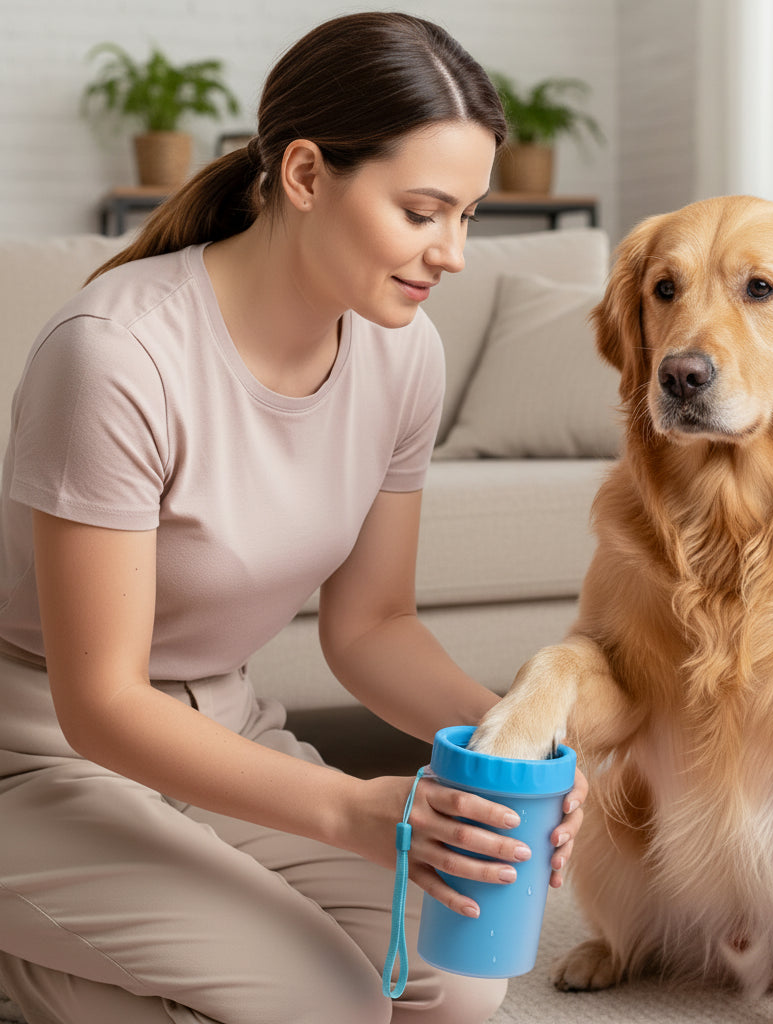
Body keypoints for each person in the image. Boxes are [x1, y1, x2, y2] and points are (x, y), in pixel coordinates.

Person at [0, 13, 586, 1024]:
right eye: (422, 211)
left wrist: (507, 746)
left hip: (224, 728)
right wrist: (354, 806)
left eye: (468, 216)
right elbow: (99, 703)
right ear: (308, 174)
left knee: (450, 977)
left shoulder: (403, 355)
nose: (450, 253)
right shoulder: (114, 354)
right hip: (36, 749)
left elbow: (371, 627)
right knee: (327, 1004)